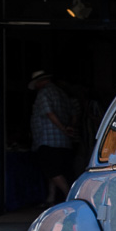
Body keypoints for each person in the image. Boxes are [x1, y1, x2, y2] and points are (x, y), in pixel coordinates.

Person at [29, 70, 76, 204]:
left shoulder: (44, 93)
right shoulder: (62, 93)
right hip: (63, 141)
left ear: (40, 82)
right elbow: (73, 113)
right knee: (56, 171)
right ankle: (51, 198)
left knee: (52, 170)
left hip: (48, 139)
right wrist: (69, 128)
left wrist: (62, 128)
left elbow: (49, 112)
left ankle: (69, 196)